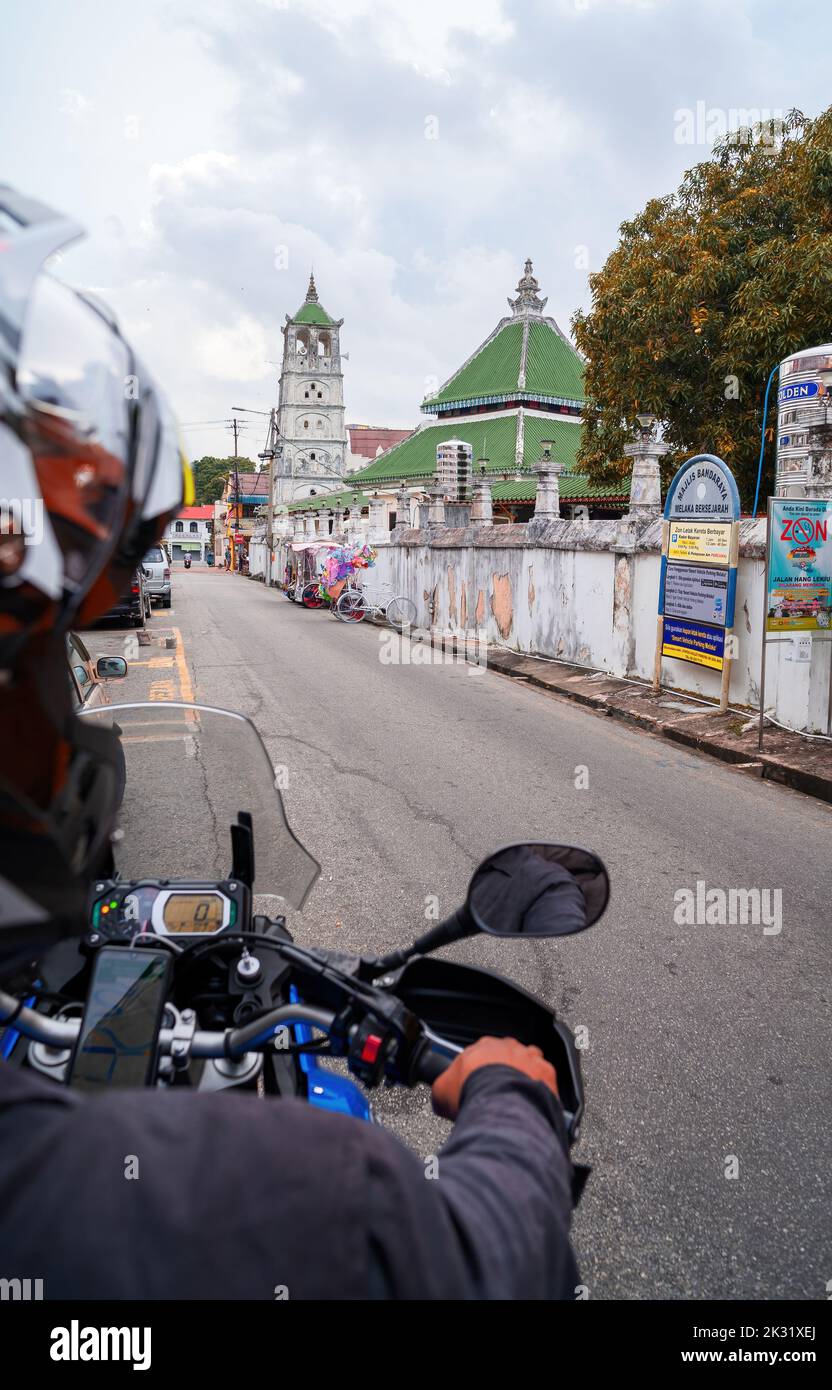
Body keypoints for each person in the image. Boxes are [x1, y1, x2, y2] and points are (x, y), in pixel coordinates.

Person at [0, 188, 582, 1299]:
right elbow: (483, 1268)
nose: (74, 737)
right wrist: (510, 1102)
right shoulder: (311, 1204)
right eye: (46, 670)